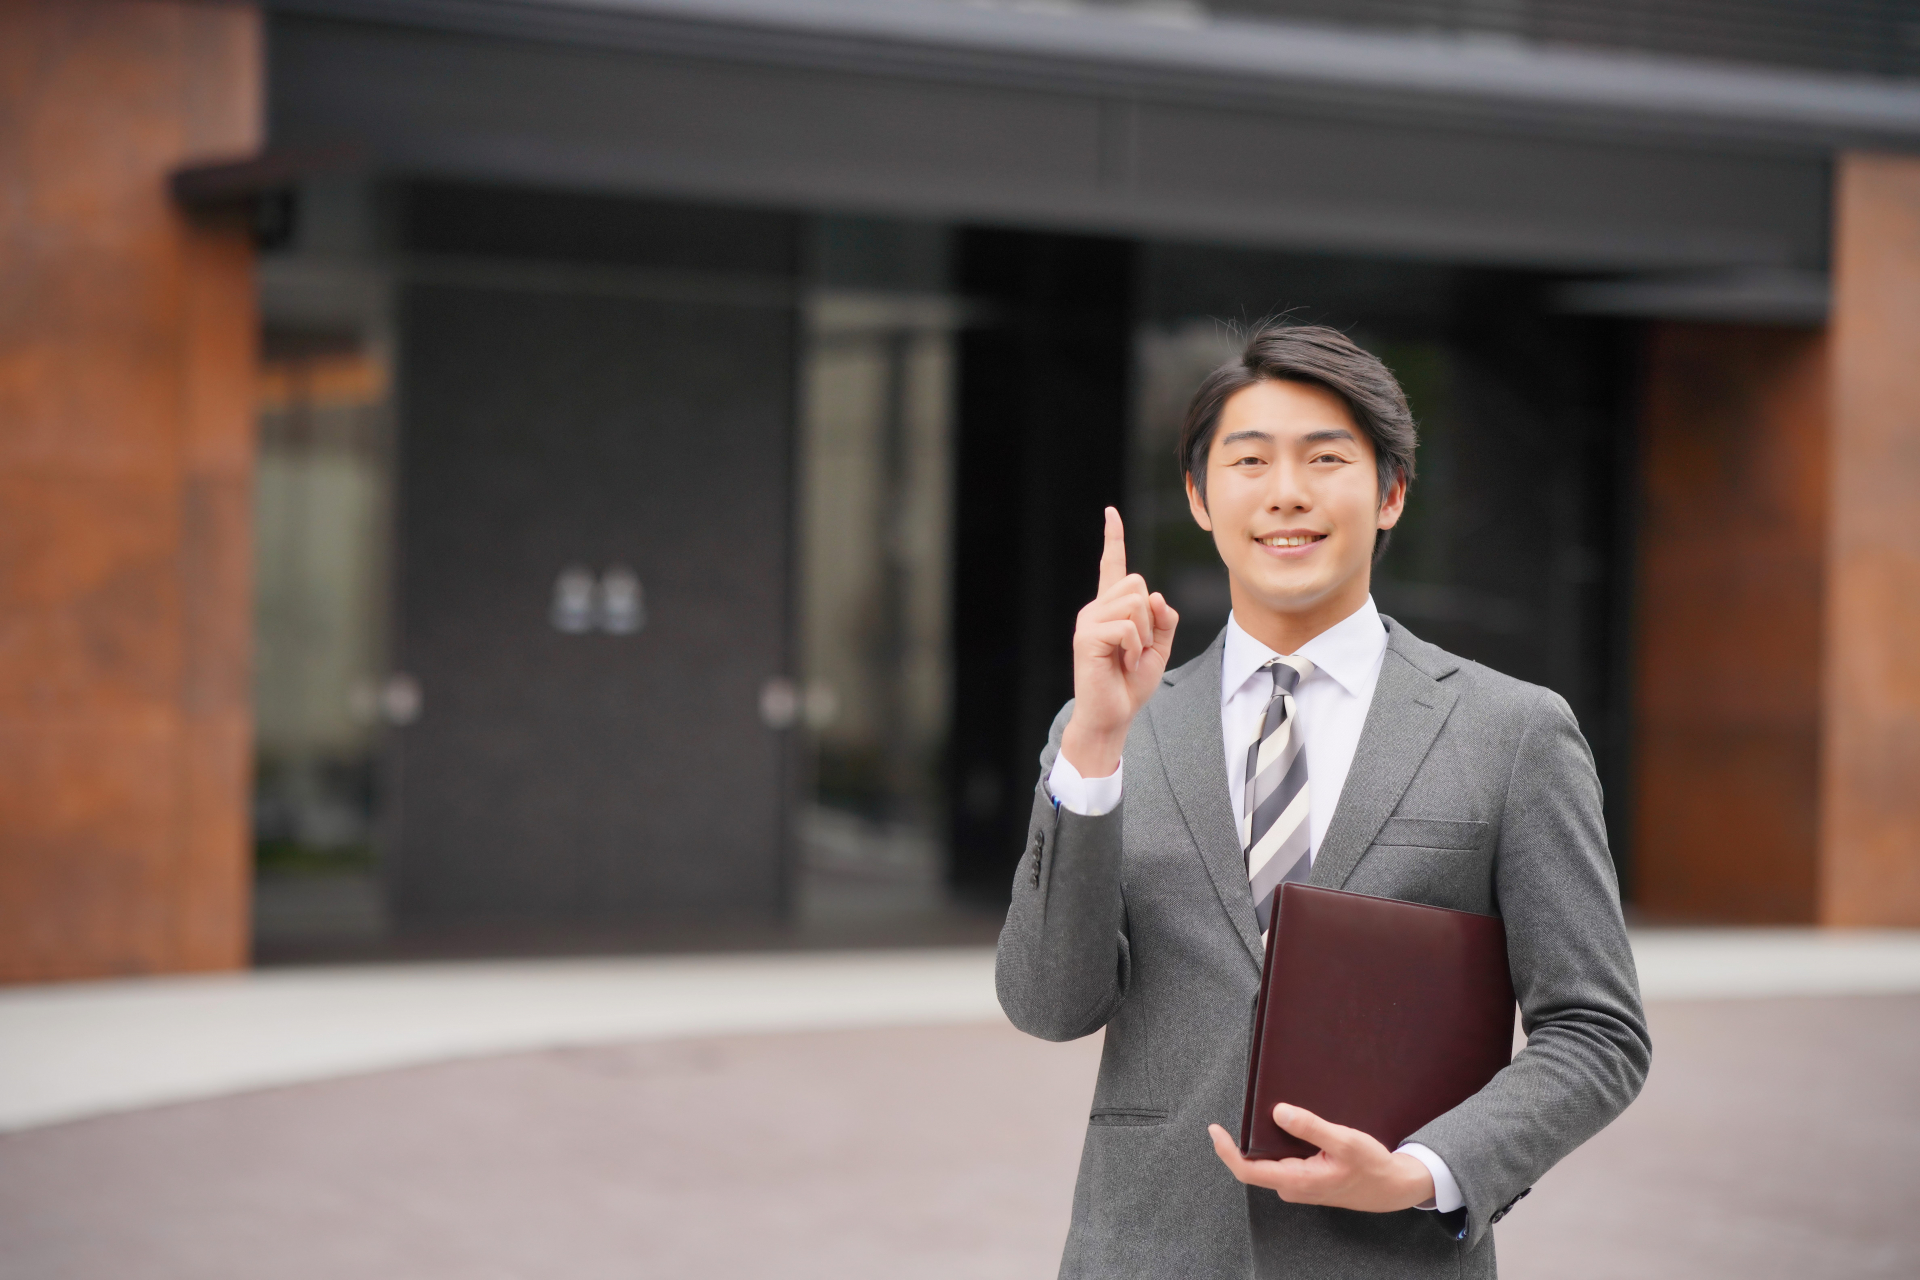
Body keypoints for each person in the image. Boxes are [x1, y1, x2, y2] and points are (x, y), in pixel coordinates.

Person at [995, 325, 1650, 1278]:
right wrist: (1094, 746)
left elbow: (1597, 1032)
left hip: (1388, 1259)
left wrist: (1425, 1172)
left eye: (1326, 458)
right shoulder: (1109, 727)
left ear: (1391, 493)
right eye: (1249, 460)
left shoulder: (1512, 733)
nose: (1286, 492)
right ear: (1200, 497)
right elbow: (1049, 1005)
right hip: (1147, 1253)